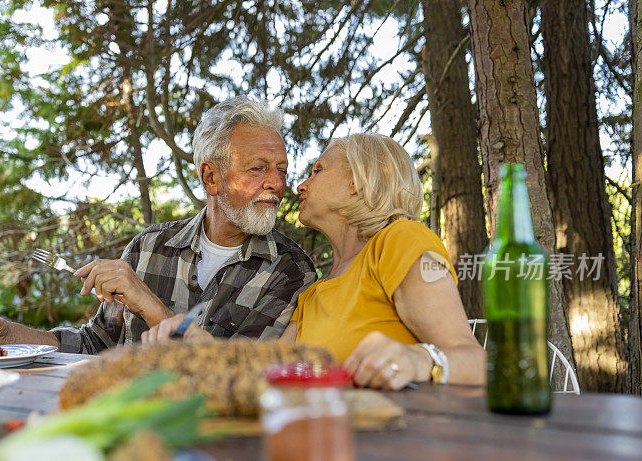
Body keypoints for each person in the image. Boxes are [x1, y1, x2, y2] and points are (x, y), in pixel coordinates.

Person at [0, 96, 316, 353]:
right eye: (258, 168)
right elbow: (96, 344)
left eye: (281, 170)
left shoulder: (291, 272)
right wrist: (11, 338)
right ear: (210, 177)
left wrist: (150, 306)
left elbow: (237, 378)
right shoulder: (148, 248)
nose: (277, 182)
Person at [144, 133, 486, 390]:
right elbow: (265, 370)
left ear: (358, 180)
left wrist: (418, 360)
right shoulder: (313, 292)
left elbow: (476, 362)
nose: (297, 186)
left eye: (318, 170)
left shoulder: (400, 240)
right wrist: (203, 345)